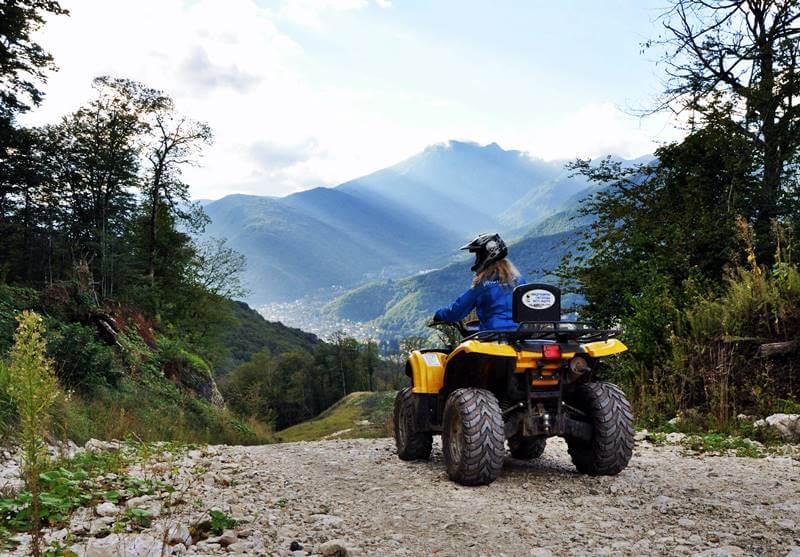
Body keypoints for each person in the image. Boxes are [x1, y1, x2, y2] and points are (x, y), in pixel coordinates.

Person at [433, 233, 524, 331]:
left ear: (485, 256)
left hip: (493, 335)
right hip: (520, 334)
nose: (476, 261)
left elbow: (456, 312)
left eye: (478, 256)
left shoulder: (483, 286)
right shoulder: (520, 281)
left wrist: (439, 315)